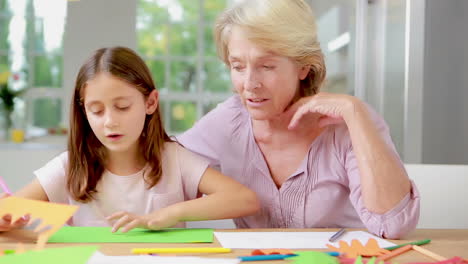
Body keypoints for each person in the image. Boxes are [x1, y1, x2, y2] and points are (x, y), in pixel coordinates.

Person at [177, 0, 420, 239]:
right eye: (238, 66)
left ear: (304, 67)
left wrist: (354, 110)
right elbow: (162, 163)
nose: (250, 84)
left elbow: (392, 225)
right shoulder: (228, 120)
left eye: (267, 66)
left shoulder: (349, 124)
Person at [0, 46, 259, 233]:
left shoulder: (174, 159)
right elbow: (8, 209)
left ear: (150, 102)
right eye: (97, 110)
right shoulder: (69, 167)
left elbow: (244, 199)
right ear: (83, 111)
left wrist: (169, 214)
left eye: (122, 107)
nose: (110, 121)